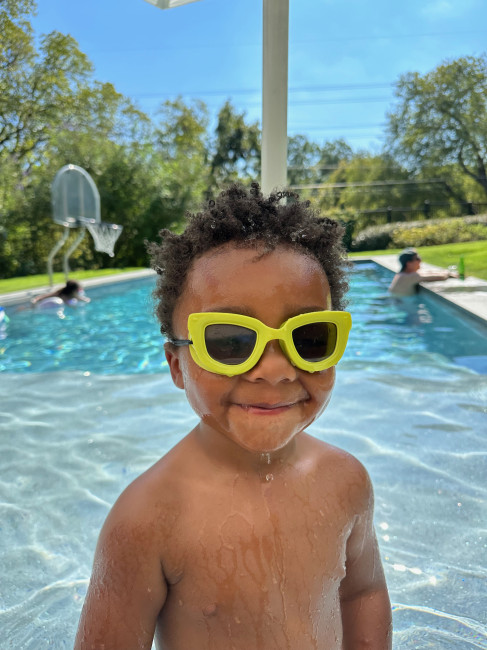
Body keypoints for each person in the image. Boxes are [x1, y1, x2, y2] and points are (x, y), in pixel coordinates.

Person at [74, 183, 392, 650]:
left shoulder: (347, 481)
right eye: (229, 340)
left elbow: (363, 593)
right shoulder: (147, 521)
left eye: (310, 338)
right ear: (177, 365)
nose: (277, 370)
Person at [388, 247, 457, 297]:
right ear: (408, 264)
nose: (420, 260)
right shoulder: (408, 277)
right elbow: (441, 277)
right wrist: (448, 273)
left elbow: (426, 272)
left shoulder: (403, 275)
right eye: (417, 259)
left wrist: (444, 272)